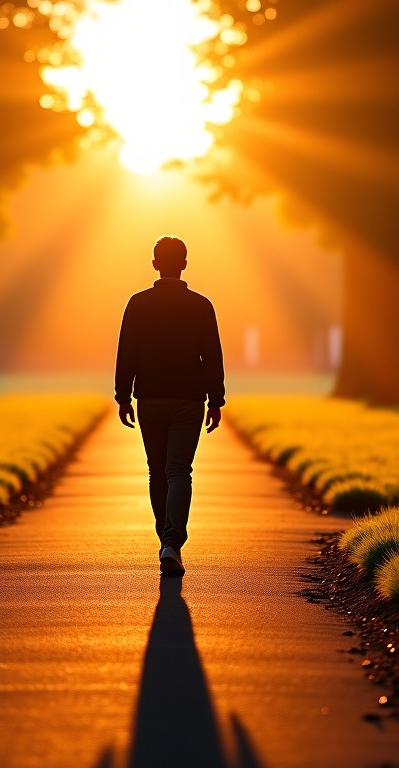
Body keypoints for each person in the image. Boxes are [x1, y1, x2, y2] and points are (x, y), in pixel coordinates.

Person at [115, 236, 225, 576]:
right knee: (179, 471)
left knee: (157, 470)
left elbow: (126, 352)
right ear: (185, 264)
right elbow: (212, 356)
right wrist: (216, 399)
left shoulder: (137, 304)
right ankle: (172, 542)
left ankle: (165, 538)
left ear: (154, 264)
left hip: (150, 399)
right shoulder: (201, 305)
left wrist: (123, 396)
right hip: (188, 400)